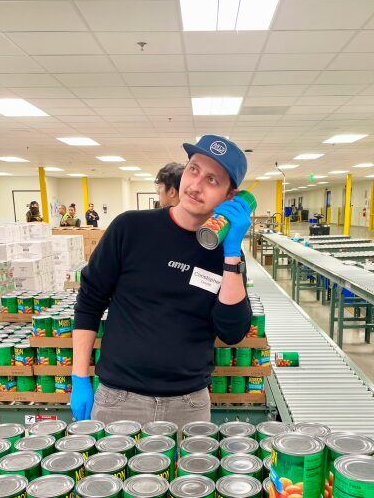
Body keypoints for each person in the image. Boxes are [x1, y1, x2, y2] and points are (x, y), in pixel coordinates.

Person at [71, 134, 252, 428]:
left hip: (189, 405)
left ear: (231, 197)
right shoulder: (130, 228)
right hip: (119, 400)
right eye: (193, 170)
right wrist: (79, 377)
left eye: (212, 180)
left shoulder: (226, 252)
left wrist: (231, 254)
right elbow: (89, 303)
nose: (195, 185)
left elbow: (232, 331)